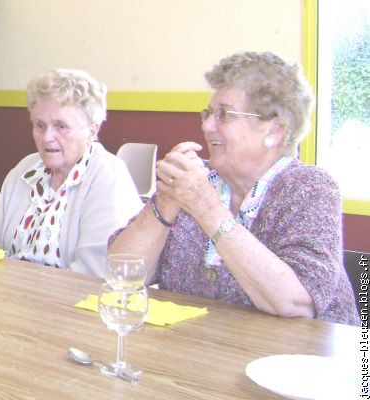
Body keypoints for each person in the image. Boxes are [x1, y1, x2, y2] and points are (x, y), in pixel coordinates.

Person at [108, 51, 359, 326]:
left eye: (224, 114)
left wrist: (204, 205)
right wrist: (166, 200)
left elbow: (295, 302)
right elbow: (120, 272)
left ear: (274, 131)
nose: (206, 125)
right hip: (203, 357)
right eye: (208, 113)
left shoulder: (309, 189)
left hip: (305, 363)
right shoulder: (195, 179)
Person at [0, 68, 143, 277]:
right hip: (9, 297)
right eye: (40, 125)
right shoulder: (24, 170)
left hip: (69, 303)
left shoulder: (107, 176)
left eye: (61, 126)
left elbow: (94, 275)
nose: (47, 137)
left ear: (92, 131)